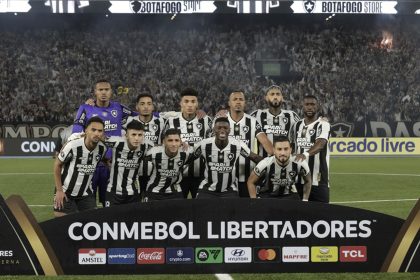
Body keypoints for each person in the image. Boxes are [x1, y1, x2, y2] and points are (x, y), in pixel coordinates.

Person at [73, 79, 137, 207]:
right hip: (90, 164)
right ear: (95, 92)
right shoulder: (85, 108)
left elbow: (139, 117)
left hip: (112, 165)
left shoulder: (118, 108)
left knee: (110, 204)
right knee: (87, 203)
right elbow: (76, 134)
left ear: (111, 92)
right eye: (100, 90)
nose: (103, 92)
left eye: (106, 90)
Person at [192, 117, 263, 199]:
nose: (222, 130)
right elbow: (189, 158)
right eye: (219, 128)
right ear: (214, 130)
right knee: (200, 211)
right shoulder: (204, 144)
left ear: (229, 130)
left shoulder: (237, 145)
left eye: (225, 128)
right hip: (207, 189)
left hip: (229, 190)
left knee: (233, 211)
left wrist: (270, 162)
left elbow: (255, 158)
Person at [164, 88, 212, 199]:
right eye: (186, 101)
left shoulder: (206, 121)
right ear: (180, 103)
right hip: (178, 175)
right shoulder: (171, 121)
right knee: (179, 210)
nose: (189, 105)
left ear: (197, 104)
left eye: (193, 101)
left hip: (201, 175)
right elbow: (163, 145)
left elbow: (211, 145)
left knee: (201, 209)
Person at [53, 117, 106, 217]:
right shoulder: (73, 146)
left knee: (93, 225)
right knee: (63, 224)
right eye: (93, 130)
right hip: (65, 192)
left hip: (85, 194)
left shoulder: (102, 149)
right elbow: (57, 165)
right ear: (86, 130)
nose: (96, 133)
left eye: (100, 131)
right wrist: (59, 191)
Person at [225, 90, 273, 197]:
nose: (238, 102)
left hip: (247, 175)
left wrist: (275, 157)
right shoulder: (221, 120)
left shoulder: (252, 121)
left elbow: (265, 141)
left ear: (245, 102)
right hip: (225, 174)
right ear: (229, 103)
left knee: (246, 209)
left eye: (241, 99)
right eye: (235, 99)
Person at [125, 93, 166, 199]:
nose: (146, 107)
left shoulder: (160, 121)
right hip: (134, 169)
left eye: (149, 104)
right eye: (142, 104)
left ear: (153, 107)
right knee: (136, 201)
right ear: (137, 107)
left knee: (150, 202)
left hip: (154, 170)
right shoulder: (129, 121)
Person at [290, 95, 331, 203]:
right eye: (307, 104)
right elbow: (292, 147)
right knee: (297, 215)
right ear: (302, 106)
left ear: (318, 106)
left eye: (312, 104)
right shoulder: (296, 126)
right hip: (298, 180)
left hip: (319, 180)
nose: (309, 107)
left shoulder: (323, 124)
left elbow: (321, 144)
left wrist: (305, 155)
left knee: (321, 215)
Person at [104, 120, 153, 207]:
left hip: (133, 193)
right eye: (133, 135)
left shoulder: (147, 145)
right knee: (111, 219)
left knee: (133, 220)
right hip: (113, 192)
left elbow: (162, 148)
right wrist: (104, 160)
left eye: (140, 135)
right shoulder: (116, 142)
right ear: (126, 135)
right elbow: (99, 139)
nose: (137, 138)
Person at [247, 137, 311, 200]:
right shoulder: (265, 163)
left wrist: (305, 199)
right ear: (274, 150)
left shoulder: (300, 163)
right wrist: (254, 201)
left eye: (286, 149)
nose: (283, 153)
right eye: (279, 149)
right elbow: (250, 182)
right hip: (268, 196)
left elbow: (308, 181)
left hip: (289, 196)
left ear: (290, 150)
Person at [251, 85, 300, 157]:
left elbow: (305, 127)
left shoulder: (291, 115)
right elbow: (243, 122)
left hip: (286, 162)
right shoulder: (257, 115)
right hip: (264, 162)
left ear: (282, 98)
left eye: (278, 94)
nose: (275, 97)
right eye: (272, 94)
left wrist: (321, 120)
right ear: (266, 98)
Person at [144, 128, 192, 201]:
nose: (173, 144)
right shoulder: (152, 153)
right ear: (164, 142)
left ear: (181, 142)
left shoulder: (186, 153)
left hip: (175, 192)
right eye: (170, 140)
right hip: (154, 191)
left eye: (177, 140)